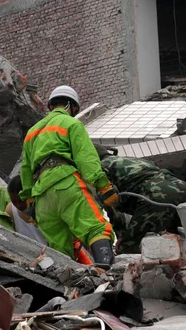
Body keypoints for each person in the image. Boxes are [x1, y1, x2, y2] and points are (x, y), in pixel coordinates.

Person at [20, 85, 117, 267]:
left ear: (51, 106)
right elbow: (86, 158)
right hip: (65, 183)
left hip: (41, 198)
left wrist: (29, 202)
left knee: (59, 247)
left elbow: (25, 172)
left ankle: (66, 286)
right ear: (71, 106)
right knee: (95, 227)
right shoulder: (71, 123)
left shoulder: (31, 133)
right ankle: (107, 270)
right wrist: (103, 185)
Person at [94, 145, 186, 253]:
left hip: (158, 195)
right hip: (184, 189)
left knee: (131, 248)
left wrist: (124, 238)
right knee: (178, 241)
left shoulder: (99, 170)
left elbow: (112, 206)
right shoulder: (130, 159)